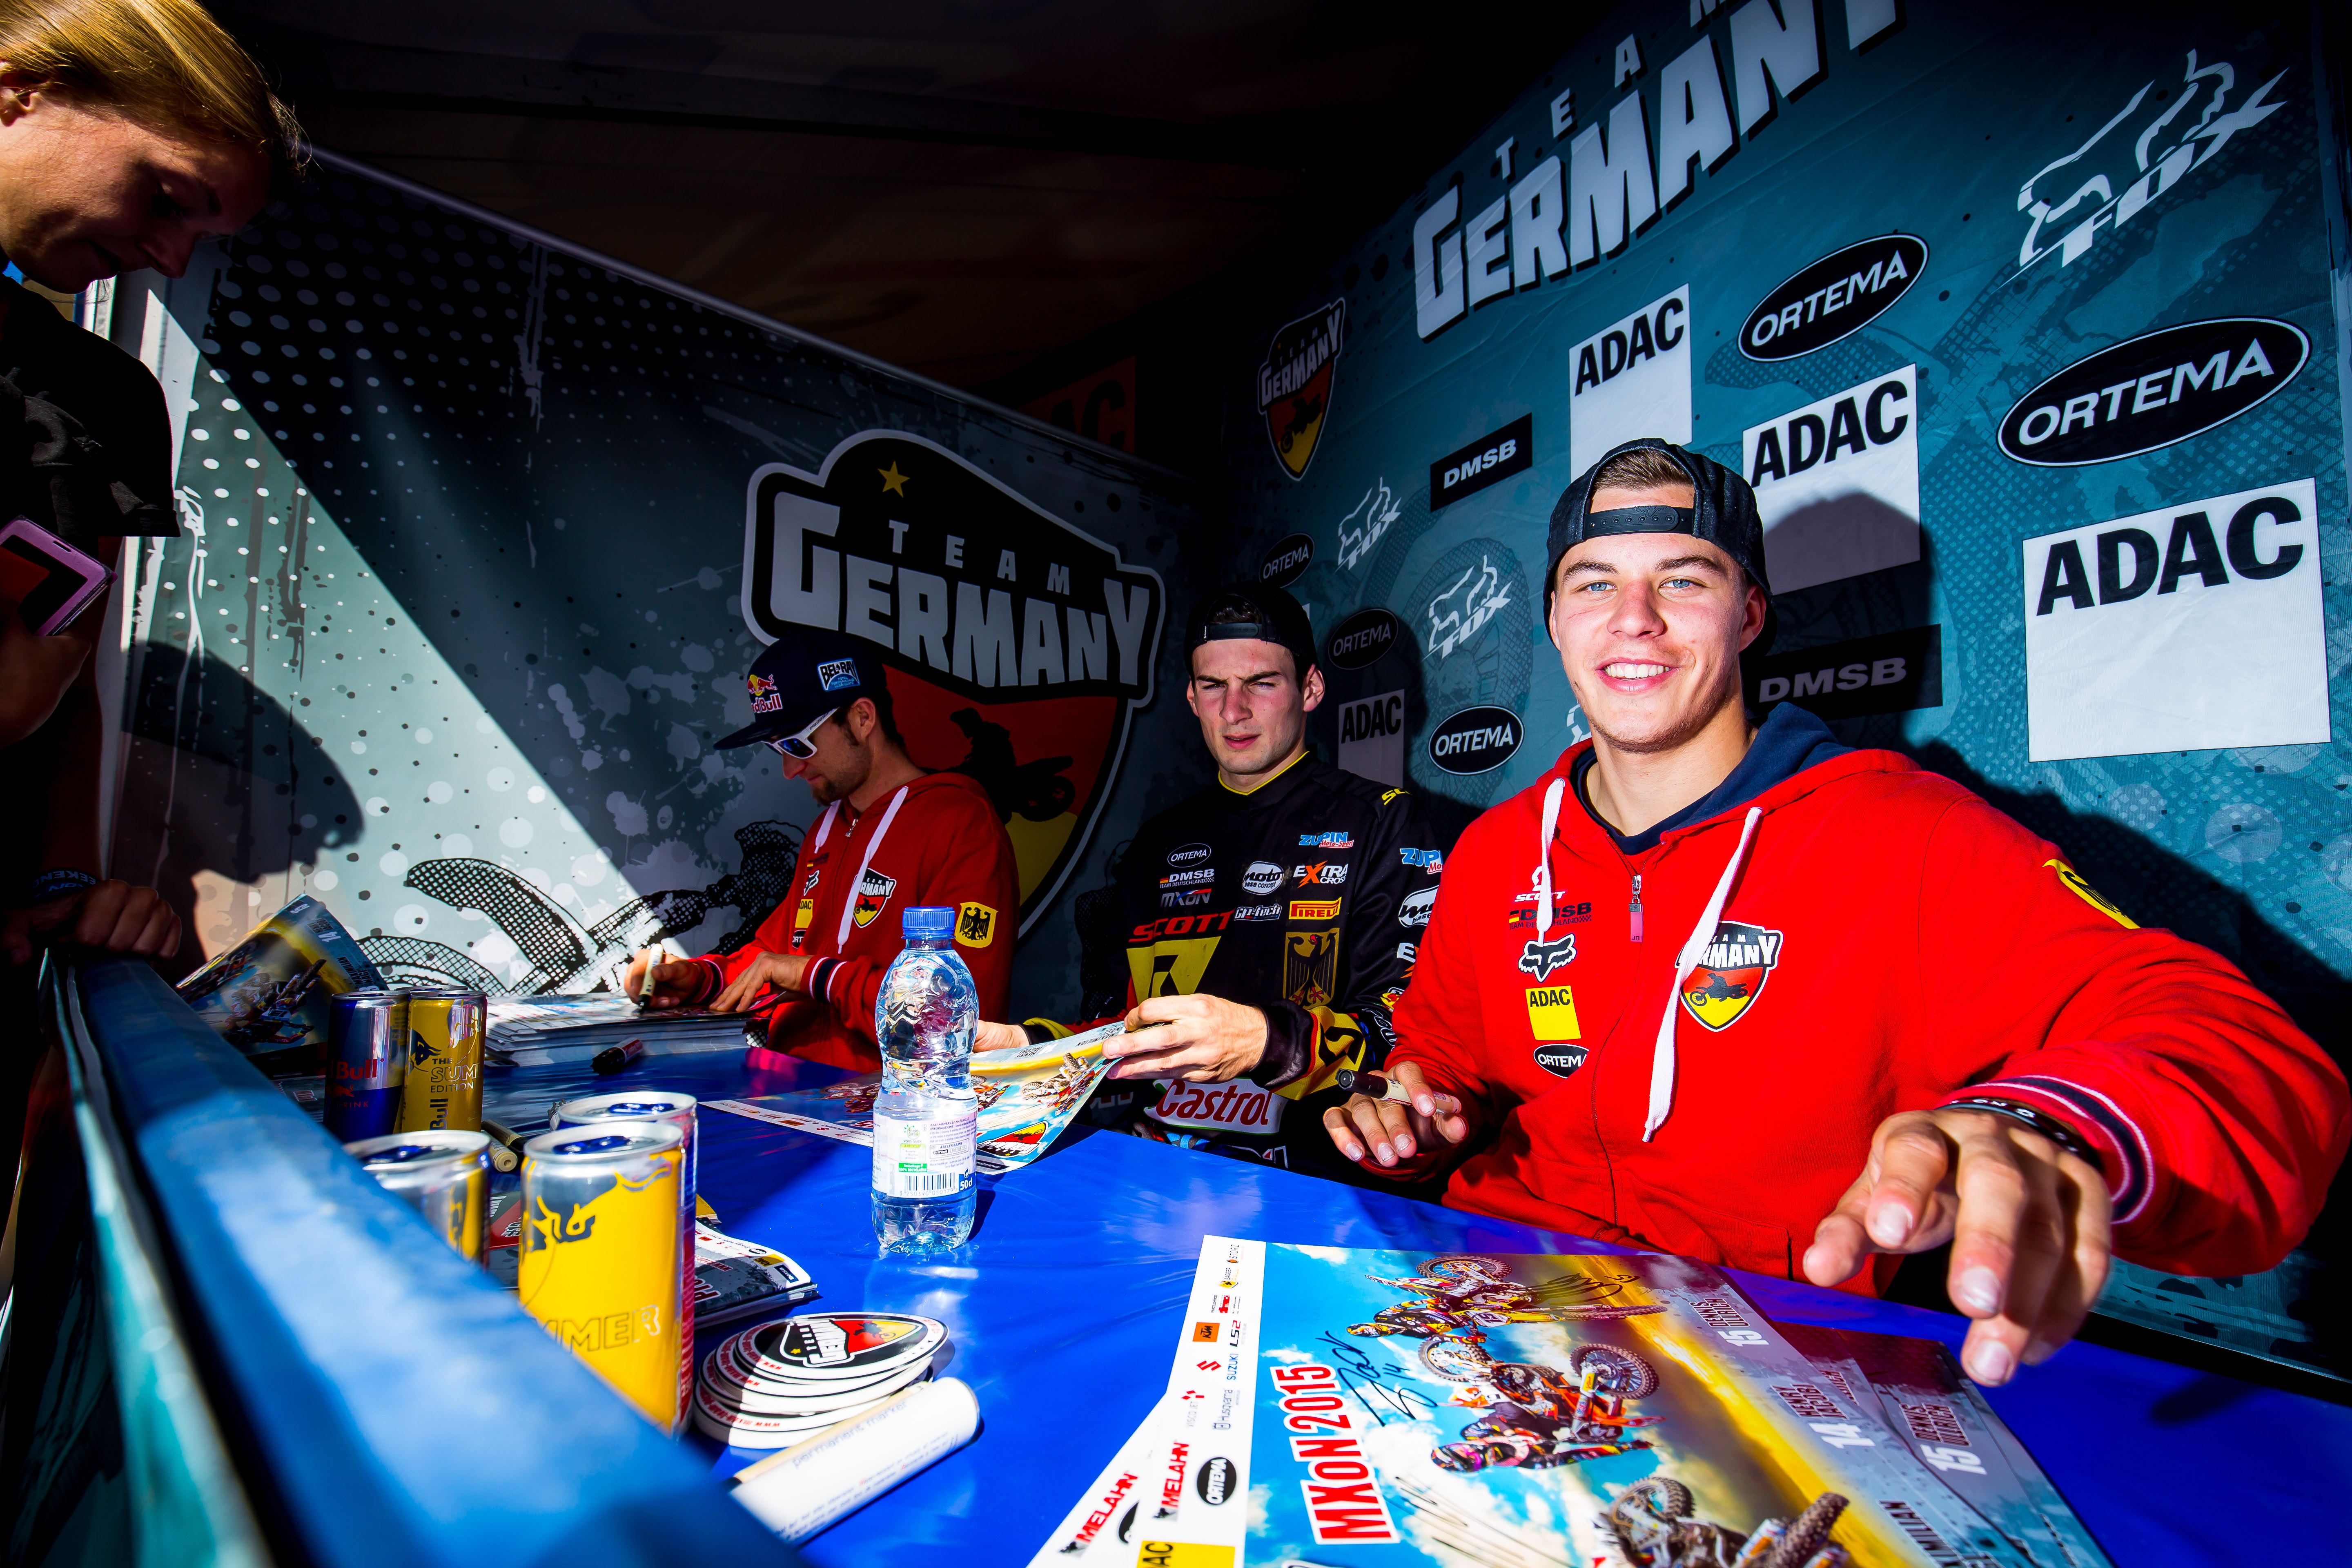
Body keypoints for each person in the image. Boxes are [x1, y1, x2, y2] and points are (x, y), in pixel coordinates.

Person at [1324, 437, 2350, 1386]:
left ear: (1747, 615)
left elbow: (2240, 1054)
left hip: (1762, 1355)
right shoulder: (1501, 847)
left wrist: (2050, 1125)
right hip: (1496, 1301)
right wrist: (1416, 1109)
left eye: (1682, 579)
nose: (1632, 617)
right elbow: (1443, 1050)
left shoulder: (1904, 832)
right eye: (1594, 583)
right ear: (1554, 621)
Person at [0, 0, 295, 1141]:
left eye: (201, 235)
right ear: (21, 90)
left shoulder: (103, 398)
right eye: (166, 197)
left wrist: (64, 884)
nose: (170, 257)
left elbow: (66, 676)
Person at [983, 586, 1442, 1176]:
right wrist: (1029, 1050)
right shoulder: (1154, 844)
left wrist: (1266, 1042)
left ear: (1310, 689)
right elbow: (1120, 1032)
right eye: (1213, 686)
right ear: (1191, 698)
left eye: (1261, 683)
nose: (1233, 711)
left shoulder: (1382, 821)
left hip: (1311, 1181)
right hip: (1155, 1177)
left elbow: (1402, 1035)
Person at [629, 627, 1020, 1072]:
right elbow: (774, 957)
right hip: (784, 1090)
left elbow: (954, 1014)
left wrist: (815, 976)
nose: (790, 769)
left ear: (862, 718)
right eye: (776, 748)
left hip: (886, 1103)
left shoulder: (961, 825)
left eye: (798, 743)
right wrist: (699, 978)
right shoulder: (827, 829)